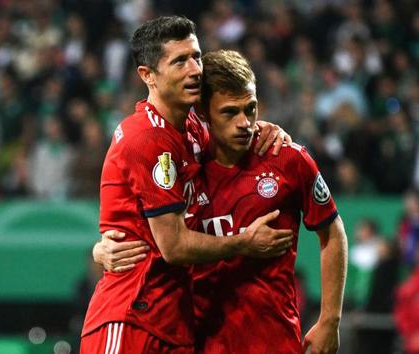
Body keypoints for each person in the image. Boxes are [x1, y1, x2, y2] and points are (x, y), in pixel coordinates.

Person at [95, 50, 349, 354]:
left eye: (251, 109)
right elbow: (156, 235)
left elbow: (332, 233)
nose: (245, 123)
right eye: (230, 112)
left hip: (273, 342)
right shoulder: (184, 166)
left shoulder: (287, 158)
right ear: (203, 113)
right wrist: (103, 249)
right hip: (198, 343)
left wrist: (330, 320)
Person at [81, 16, 294, 354]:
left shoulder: (192, 127)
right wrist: (244, 243)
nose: (195, 69)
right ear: (147, 76)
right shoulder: (146, 139)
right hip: (131, 319)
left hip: (175, 322)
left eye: (195, 56)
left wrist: (264, 129)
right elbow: (175, 246)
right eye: (179, 61)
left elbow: (230, 137)